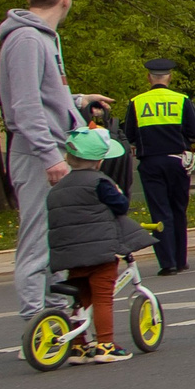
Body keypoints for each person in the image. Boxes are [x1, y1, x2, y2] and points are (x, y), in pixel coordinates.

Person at [0, 0, 100, 321]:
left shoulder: (45, 38)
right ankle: (35, 323)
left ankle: (58, 316)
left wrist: (78, 101)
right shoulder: (26, 39)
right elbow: (24, 107)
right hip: (37, 152)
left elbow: (44, 95)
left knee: (56, 238)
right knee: (37, 239)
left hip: (53, 148)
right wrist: (49, 155)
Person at [46, 126, 153, 362]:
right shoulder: (100, 183)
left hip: (70, 254)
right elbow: (121, 206)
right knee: (103, 297)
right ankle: (105, 344)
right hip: (100, 254)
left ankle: (78, 346)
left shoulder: (58, 188)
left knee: (82, 297)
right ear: (99, 161)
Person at [126, 59, 195, 278]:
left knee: (160, 211)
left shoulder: (137, 102)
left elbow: (129, 135)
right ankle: (181, 260)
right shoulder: (181, 100)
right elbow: (194, 132)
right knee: (178, 209)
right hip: (177, 161)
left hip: (151, 163)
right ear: (170, 78)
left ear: (149, 77)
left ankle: (167, 264)